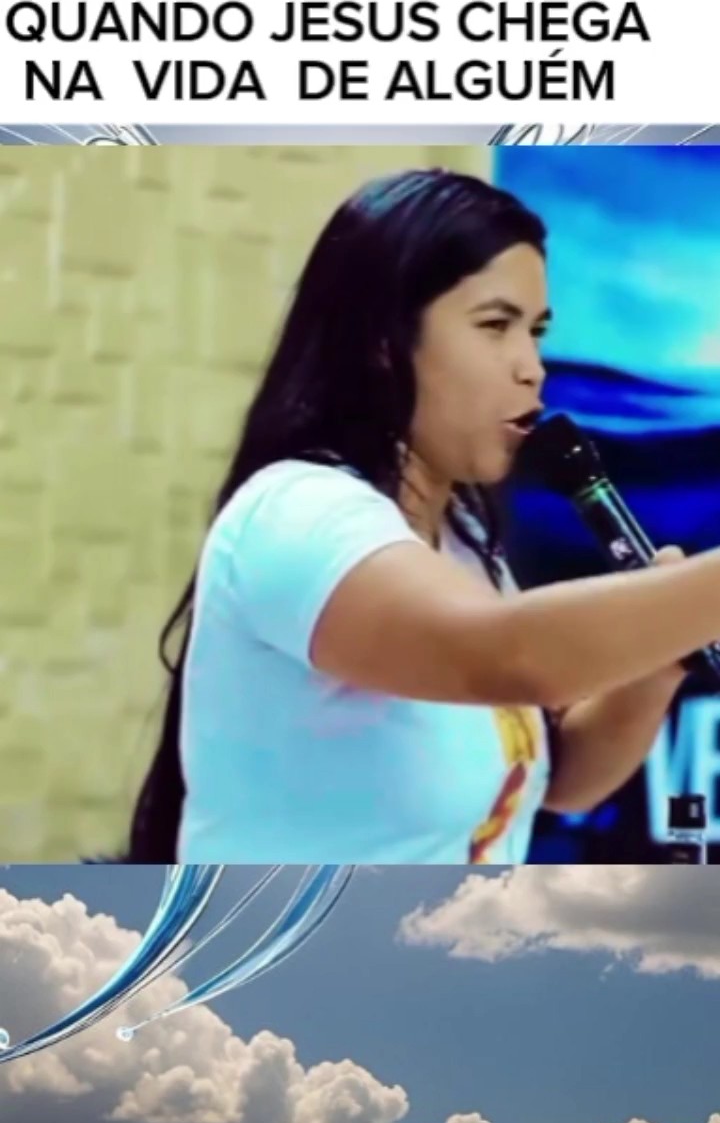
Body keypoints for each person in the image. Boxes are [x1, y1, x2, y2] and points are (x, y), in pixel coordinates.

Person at [123, 167, 720, 865]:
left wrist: (659, 663)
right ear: (382, 342)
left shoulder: (465, 546)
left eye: (535, 332)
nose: (532, 367)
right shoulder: (298, 513)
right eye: (495, 326)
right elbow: (509, 656)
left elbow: (557, 783)